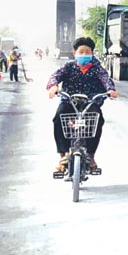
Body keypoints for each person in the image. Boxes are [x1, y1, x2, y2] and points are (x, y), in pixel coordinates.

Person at [45, 37, 118, 177]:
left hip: (90, 102)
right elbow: (55, 76)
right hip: (69, 101)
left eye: (87, 52)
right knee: (59, 117)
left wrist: (110, 90)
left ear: (92, 53)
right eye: (81, 52)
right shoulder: (69, 67)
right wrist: (53, 86)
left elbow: (106, 79)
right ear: (75, 53)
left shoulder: (97, 68)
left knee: (97, 118)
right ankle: (63, 155)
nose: (84, 55)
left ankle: (90, 155)